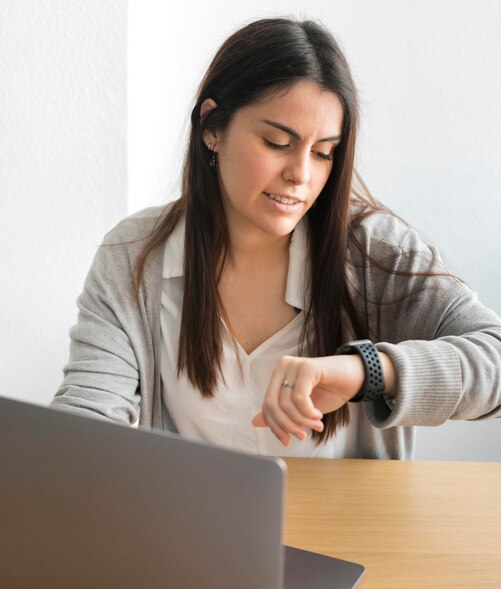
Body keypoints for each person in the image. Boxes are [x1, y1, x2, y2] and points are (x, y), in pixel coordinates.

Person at [52, 17, 501, 459]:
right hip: (194, 531)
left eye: (324, 152)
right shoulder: (133, 256)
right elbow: (85, 419)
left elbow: (494, 360)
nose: (301, 175)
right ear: (212, 128)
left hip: (347, 532)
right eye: (276, 142)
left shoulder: (376, 250)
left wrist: (366, 371)